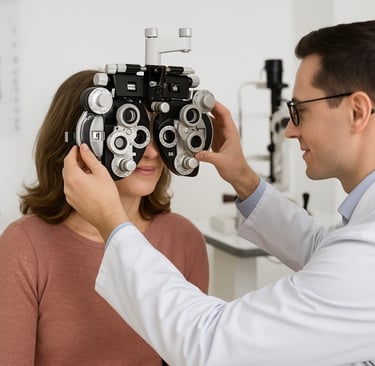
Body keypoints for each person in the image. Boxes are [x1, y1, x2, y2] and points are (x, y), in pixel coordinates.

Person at [62, 20, 375, 366]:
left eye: (299, 111)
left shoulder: (365, 257)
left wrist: (111, 222)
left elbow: (211, 343)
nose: (289, 130)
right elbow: (324, 253)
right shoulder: (359, 241)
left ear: (357, 112)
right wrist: (243, 178)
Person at [0, 69, 209, 365]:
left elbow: (194, 354)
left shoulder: (183, 238)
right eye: (129, 129)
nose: (151, 151)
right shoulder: (24, 246)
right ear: (81, 137)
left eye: (159, 130)